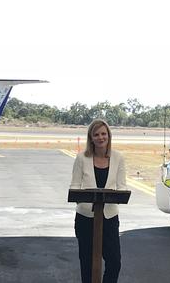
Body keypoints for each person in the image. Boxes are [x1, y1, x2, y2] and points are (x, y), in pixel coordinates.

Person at [70, 119, 127, 283]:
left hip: (109, 218)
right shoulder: (82, 158)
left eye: (103, 133)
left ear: (108, 136)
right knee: (87, 263)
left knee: (114, 262)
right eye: (96, 134)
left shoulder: (118, 158)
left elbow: (122, 187)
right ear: (91, 138)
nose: (100, 137)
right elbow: (75, 186)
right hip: (85, 218)